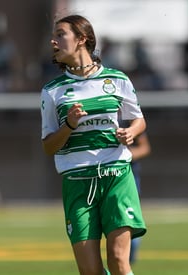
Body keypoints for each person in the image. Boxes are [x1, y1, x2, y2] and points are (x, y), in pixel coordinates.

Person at [40, 15, 147, 275]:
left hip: (116, 175)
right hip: (77, 182)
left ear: (81, 39)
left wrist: (130, 133)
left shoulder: (117, 79)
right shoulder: (52, 90)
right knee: (90, 271)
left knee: (119, 261)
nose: (53, 40)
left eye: (61, 34)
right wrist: (69, 125)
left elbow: (139, 121)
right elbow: (48, 146)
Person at [127, 132, 151, 264]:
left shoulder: (129, 117)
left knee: (130, 218)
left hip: (128, 175)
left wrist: (124, 156)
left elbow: (144, 147)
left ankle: (128, 257)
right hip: (103, 175)